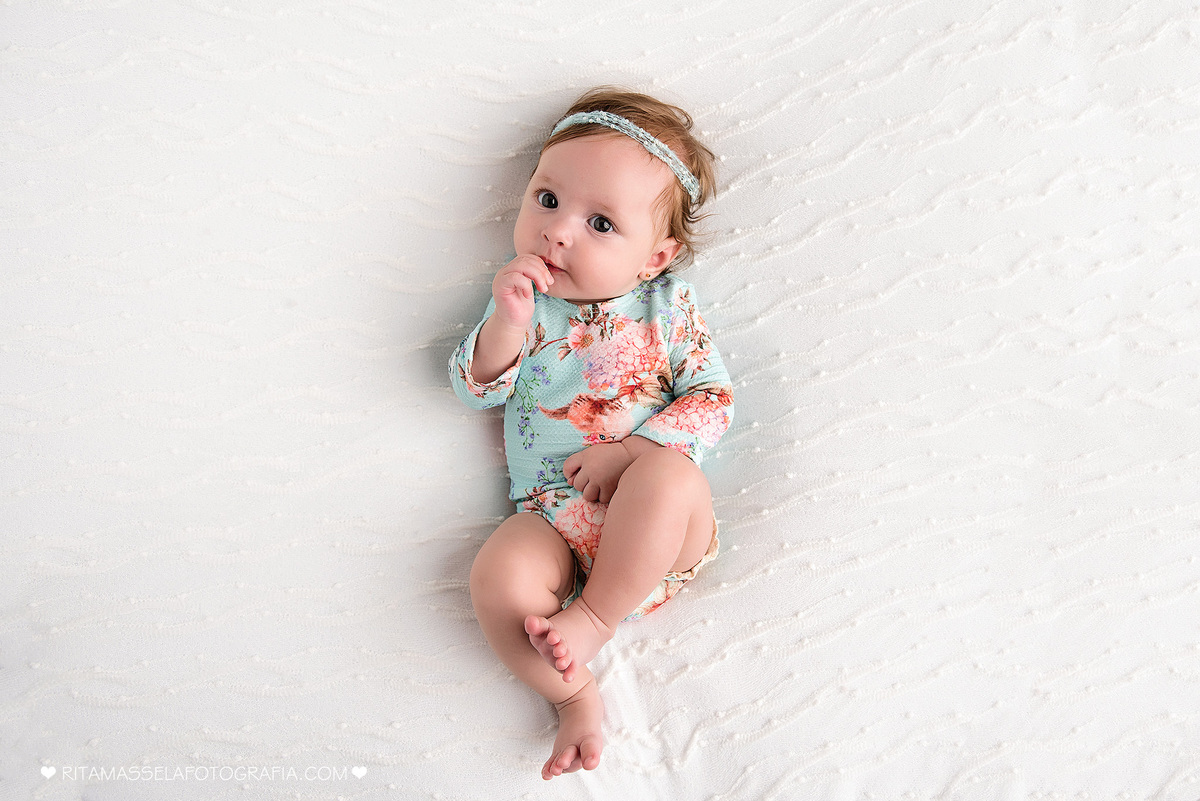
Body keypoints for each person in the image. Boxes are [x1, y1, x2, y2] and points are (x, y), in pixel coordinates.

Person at [448, 87, 734, 780]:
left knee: (670, 475)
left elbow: (714, 400)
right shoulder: (525, 305)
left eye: (600, 222)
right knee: (497, 575)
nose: (558, 232)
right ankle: (573, 694)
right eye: (547, 200)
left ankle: (597, 620)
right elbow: (475, 386)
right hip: (553, 524)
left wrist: (633, 451)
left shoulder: (667, 307)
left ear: (655, 257)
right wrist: (507, 323)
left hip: (658, 533)